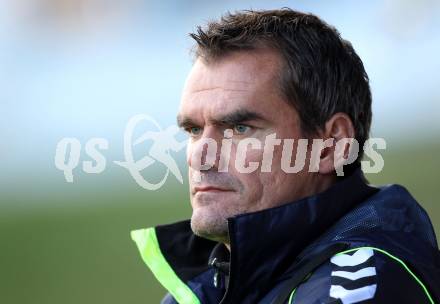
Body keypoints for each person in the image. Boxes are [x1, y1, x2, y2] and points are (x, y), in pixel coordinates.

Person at [131, 8, 440, 304]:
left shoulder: (362, 288)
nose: (201, 157)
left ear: (331, 145)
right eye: (194, 130)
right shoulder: (212, 284)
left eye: (239, 128)